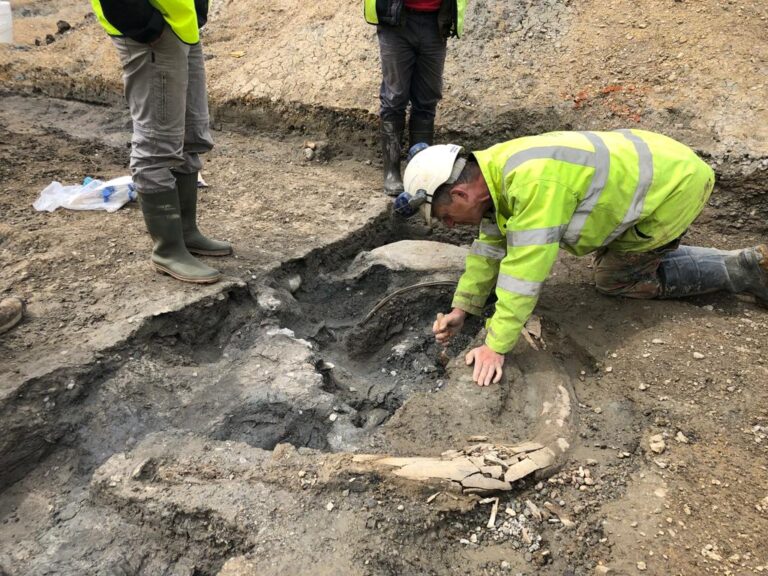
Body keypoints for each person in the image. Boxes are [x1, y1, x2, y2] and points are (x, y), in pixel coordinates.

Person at [398, 130, 768, 386]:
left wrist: (495, 346)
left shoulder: (534, 185)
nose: (450, 225)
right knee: (617, 258)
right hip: (657, 162)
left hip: (673, 187)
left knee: (613, 278)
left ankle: (742, 269)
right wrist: (463, 307)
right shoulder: (493, 171)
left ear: (460, 194)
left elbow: (525, 272)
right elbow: (489, 248)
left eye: (445, 217)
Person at [90, 0, 231, 284]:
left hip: (181, 26)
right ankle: (168, 250)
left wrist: (196, 12)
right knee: (157, 142)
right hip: (151, 31)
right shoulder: (150, 29)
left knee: (190, 133)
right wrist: (147, 25)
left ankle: (186, 232)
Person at [364, 0, 468, 196]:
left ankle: (419, 171)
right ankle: (392, 172)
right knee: (394, 98)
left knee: (427, 99)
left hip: (436, 22)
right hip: (395, 20)